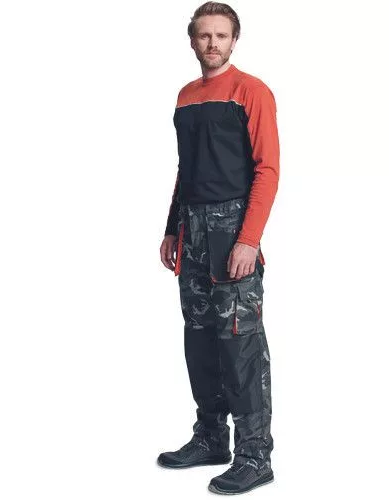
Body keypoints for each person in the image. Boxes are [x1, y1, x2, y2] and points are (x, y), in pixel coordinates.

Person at [157, 1, 280, 495]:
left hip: (233, 230)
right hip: (192, 231)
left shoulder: (252, 91)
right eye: (204, 35)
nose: (212, 43)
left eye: (221, 36)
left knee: (240, 343)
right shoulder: (186, 97)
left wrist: (248, 239)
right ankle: (211, 437)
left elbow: (268, 170)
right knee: (200, 339)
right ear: (192, 40)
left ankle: (255, 455)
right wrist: (172, 228)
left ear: (234, 40)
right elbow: (186, 169)